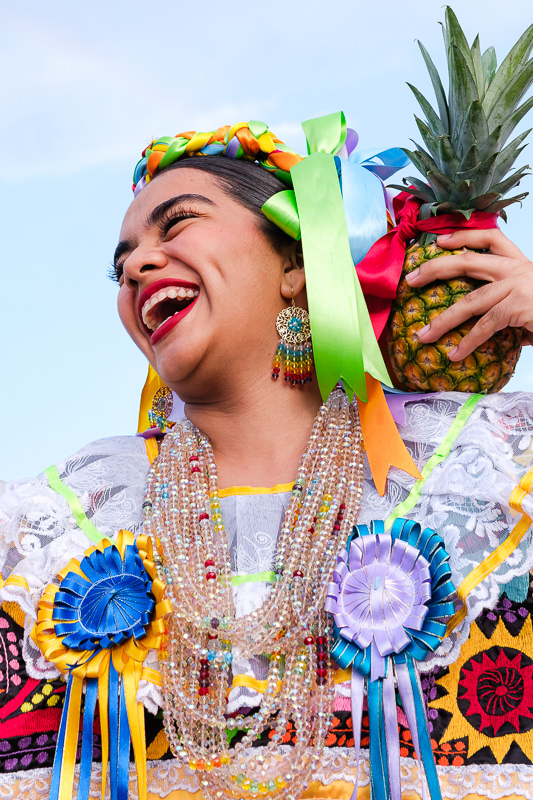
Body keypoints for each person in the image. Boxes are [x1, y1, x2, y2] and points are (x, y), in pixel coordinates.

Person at [2, 118, 533, 800]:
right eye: (122, 263)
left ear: (296, 263)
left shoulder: (491, 470)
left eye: (177, 224)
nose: (135, 266)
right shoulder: (52, 529)